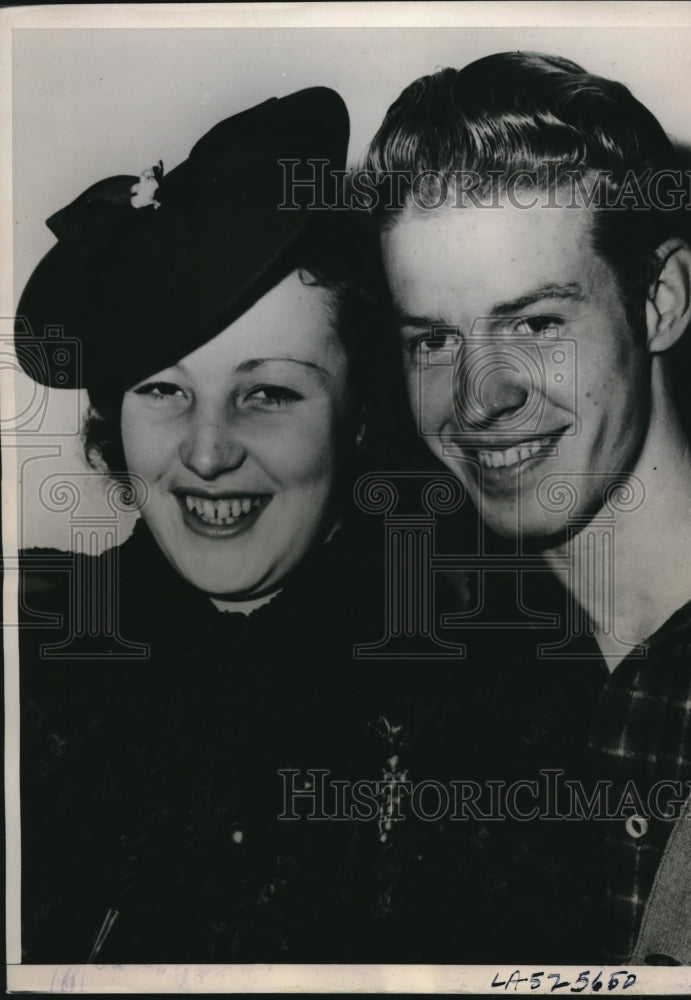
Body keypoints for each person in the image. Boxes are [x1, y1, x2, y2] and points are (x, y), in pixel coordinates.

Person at [362, 52, 691, 965]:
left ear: (660, 302)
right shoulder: (412, 649)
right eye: (433, 341)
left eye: (534, 324)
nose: (477, 400)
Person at [14, 87, 398, 964]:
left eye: (269, 393)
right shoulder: (31, 653)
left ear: (361, 416)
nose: (208, 451)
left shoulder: (471, 691)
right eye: (162, 389)